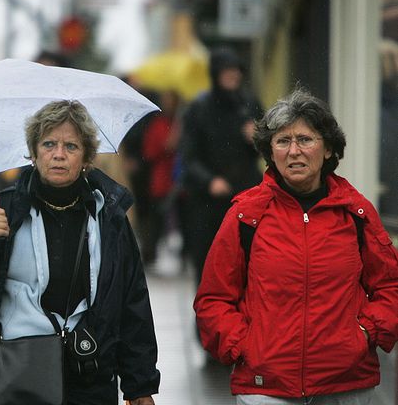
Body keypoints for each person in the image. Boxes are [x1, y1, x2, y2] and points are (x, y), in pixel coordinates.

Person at [0, 100, 160, 405]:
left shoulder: (108, 215)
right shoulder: (1, 211)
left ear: (86, 157)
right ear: (33, 152)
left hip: (89, 372)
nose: (59, 154)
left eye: (71, 146)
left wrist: (140, 385)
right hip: (18, 371)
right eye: (48, 144)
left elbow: (131, 301)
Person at [194, 88, 398, 404]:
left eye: (305, 139)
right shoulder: (246, 215)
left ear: (328, 148)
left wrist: (365, 334)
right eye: (282, 141)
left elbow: (391, 287)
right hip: (266, 387)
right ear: (269, 151)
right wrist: (245, 346)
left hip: (346, 386)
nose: (294, 151)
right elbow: (213, 298)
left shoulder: (356, 213)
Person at [179, 46, 264, 286]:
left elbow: (272, 150)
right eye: (227, 71)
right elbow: (188, 157)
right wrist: (209, 181)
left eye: (237, 70)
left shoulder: (249, 104)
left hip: (246, 198)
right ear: (216, 74)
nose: (233, 76)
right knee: (209, 269)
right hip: (208, 204)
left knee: (248, 267)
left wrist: (258, 138)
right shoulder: (199, 109)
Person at [140, 89, 182, 268]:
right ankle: (150, 253)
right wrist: (167, 145)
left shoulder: (182, 123)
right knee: (156, 218)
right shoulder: (158, 124)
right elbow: (149, 152)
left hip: (180, 180)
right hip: (161, 179)